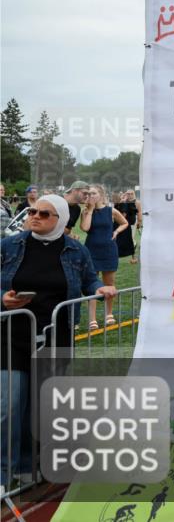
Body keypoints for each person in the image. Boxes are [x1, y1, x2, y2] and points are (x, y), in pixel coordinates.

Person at [1, 194, 117, 484]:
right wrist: (2, 299)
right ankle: (4, 471)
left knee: (40, 408)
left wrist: (99, 288)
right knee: (9, 405)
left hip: (55, 336)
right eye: (32, 211)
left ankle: (29, 468)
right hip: (10, 336)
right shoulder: (9, 246)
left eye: (44, 213)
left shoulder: (75, 250)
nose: (35, 216)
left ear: (62, 220)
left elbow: (89, 278)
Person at [81, 185, 129, 331]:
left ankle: (109, 314)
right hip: (91, 251)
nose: (91, 196)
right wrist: (89, 210)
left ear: (101, 195)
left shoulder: (111, 211)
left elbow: (125, 223)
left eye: (94, 193)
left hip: (109, 251)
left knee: (109, 284)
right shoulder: (86, 211)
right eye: (89, 193)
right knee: (92, 285)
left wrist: (116, 231)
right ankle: (92, 319)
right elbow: (85, 228)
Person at [114, 190, 140, 264]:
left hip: (130, 223)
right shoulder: (122, 202)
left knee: (130, 240)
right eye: (128, 194)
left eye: (131, 194)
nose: (129, 195)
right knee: (125, 239)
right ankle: (132, 256)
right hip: (122, 223)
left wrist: (139, 222)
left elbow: (138, 213)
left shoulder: (136, 202)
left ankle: (133, 257)